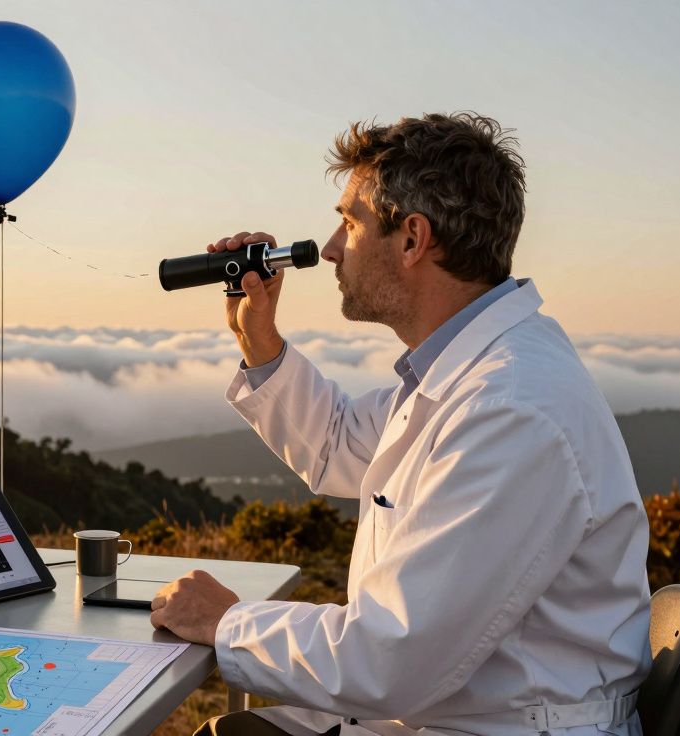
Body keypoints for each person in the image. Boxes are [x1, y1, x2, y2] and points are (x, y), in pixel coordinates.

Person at [149, 113, 652, 736]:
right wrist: (259, 339)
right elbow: (335, 445)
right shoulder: (466, 373)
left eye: (351, 222)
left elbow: (391, 656)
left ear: (414, 239)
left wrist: (228, 623)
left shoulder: (509, 409)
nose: (331, 248)